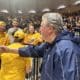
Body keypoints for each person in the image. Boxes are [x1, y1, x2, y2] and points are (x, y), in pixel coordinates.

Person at [0, 12, 80, 80]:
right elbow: (34, 50)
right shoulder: (50, 44)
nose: (39, 29)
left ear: (50, 29)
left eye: (41, 26)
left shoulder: (67, 50)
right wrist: (8, 50)